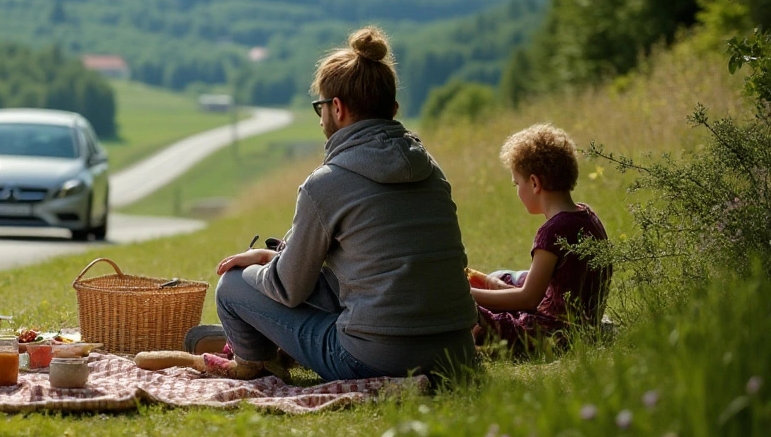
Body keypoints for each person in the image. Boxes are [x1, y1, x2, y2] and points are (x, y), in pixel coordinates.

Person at [198, 26, 479, 381]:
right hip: (457, 355)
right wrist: (273, 258)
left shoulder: (328, 183)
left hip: (377, 359)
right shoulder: (432, 171)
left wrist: (259, 269)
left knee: (233, 285)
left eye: (320, 107)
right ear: (392, 109)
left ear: (338, 108)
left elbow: (288, 288)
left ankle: (256, 365)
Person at [470, 123, 612, 354]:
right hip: (584, 324)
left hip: (549, 336)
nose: (517, 191)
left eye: (517, 183)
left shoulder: (552, 232)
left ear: (535, 183)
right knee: (500, 278)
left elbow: (528, 299)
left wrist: (466, 296)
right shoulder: (589, 217)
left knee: (473, 316)